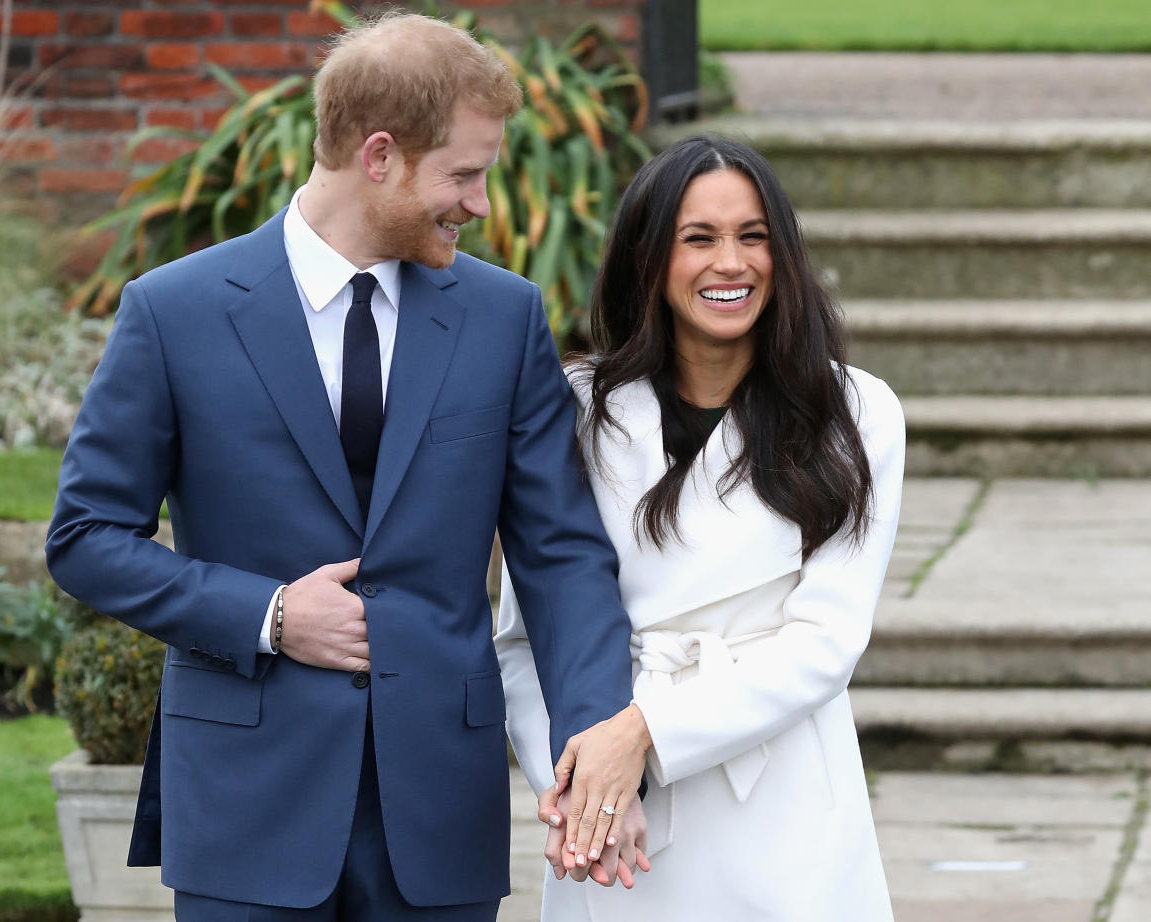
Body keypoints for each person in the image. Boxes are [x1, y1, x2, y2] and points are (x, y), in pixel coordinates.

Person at [46, 13, 647, 922]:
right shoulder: (175, 312)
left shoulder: (502, 318)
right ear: (379, 156)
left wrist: (598, 747)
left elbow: (562, 556)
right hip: (247, 804)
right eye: (463, 174)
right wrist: (270, 615)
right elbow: (85, 538)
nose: (478, 203)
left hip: (439, 813)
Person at [496, 134, 905, 920]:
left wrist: (644, 733)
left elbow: (826, 642)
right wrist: (583, 783)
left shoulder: (854, 413)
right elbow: (523, 638)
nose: (732, 263)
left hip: (781, 799)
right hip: (618, 821)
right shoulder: (575, 409)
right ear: (648, 258)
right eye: (699, 239)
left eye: (754, 237)